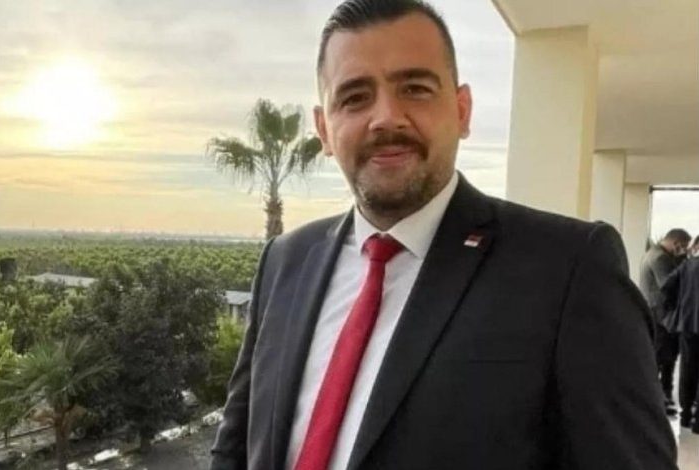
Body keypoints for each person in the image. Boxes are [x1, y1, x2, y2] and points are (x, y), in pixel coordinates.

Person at [211, 1, 677, 468]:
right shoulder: (285, 262)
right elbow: (234, 450)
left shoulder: (568, 269)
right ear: (324, 130)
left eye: (414, 89)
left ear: (462, 110)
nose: (386, 117)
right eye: (354, 97)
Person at [639, 228, 691, 411]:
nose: (683, 250)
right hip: (661, 315)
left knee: (663, 356)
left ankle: (662, 394)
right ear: (676, 242)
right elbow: (669, 284)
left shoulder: (652, 253)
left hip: (656, 313)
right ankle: (658, 396)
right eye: (683, 246)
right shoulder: (660, 258)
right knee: (663, 357)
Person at [662, 235, 699, 433]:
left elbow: (666, 286)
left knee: (687, 369)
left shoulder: (687, 266)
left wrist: (679, 306)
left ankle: (685, 416)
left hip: (688, 324)